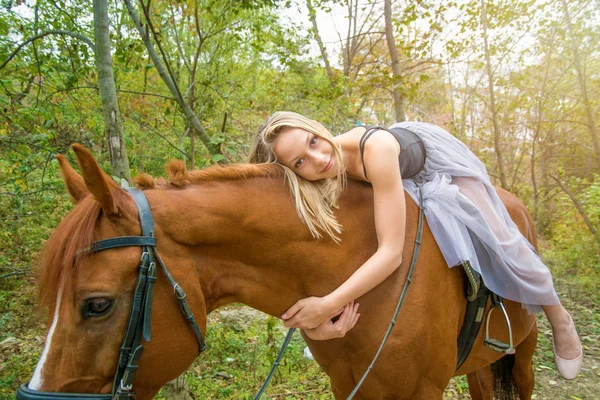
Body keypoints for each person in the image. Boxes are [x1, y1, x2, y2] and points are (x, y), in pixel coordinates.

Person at [248, 111, 583, 379]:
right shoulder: (317, 178)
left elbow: (392, 254)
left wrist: (329, 304)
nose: (318, 158)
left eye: (314, 141)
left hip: (432, 161)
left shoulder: (373, 150)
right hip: (395, 176)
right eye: (299, 162)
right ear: (291, 173)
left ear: (319, 129)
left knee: (502, 239)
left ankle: (558, 317)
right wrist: (314, 328)